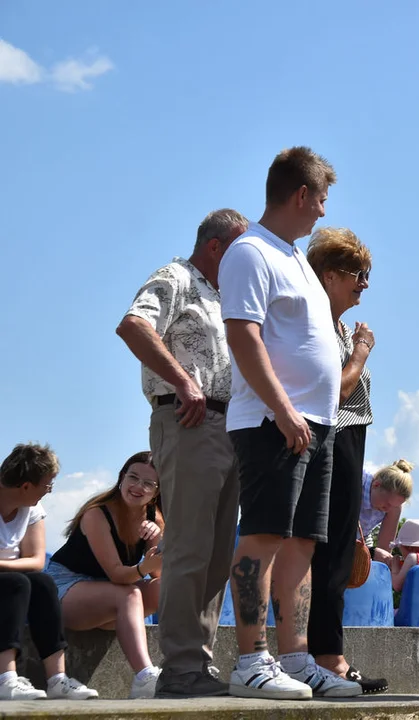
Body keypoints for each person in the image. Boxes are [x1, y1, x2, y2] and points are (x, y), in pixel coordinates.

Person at [218, 146, 358, 699]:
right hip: (273, 422)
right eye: (321, 199)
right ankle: (250, 661)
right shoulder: (250, 252)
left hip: (318, 422)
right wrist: (282, 409)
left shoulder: (295, 255)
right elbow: (242, 335)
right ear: (301, 195)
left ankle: (295, 659)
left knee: (302, 542)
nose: (324, 211)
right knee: (264, 535)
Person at [115, 208, 247, 698]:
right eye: (238, 252)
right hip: (188, 419)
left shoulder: (221, 293)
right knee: (189, 546)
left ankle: (198, 662)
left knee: (215, 553)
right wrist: (183, 380)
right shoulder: (176, 277)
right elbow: (134, 325)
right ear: (215, 247)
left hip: (228, 423)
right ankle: (180, 667)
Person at [303, 226, 385, 693]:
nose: (364, 283)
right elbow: (339, 388)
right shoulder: (318, 324)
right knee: (326, 554)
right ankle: (326, 657)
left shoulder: (334, 324)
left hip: (349, 442)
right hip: (331, 438)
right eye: (358, 273)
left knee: (336, 552)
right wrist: (362, 350)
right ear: (329, 275)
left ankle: (326, 653)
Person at [46, 451, 164, 699]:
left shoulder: (153, 518)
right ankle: (144, 676)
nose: (138, 487)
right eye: (133, 477)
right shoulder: (97, 514)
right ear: (121, 478)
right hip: (65, 587)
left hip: (107, 594)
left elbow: (158, 574)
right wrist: (143, 568)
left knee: (163, 587)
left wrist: (156, 540)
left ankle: (182, 664)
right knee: (129, 594)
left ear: (157, 491)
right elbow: (117, 575)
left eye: (148, 483)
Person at [0, 444, 97, 701]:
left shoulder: (31, 510)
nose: (50, 490)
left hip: (10, 577)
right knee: (16, 583)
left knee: (42, 583)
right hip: (10, 584)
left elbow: (35, 561)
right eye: (47, 484)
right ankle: (5, 679)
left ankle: (57, 679)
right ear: (25, 486)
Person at [361, 460, 412, 563]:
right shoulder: (359, 482)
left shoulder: (394, 507)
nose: (388, 509)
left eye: (394, 506)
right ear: (376, 485)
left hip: (363, 537)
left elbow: (384, 549)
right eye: (387, 503)